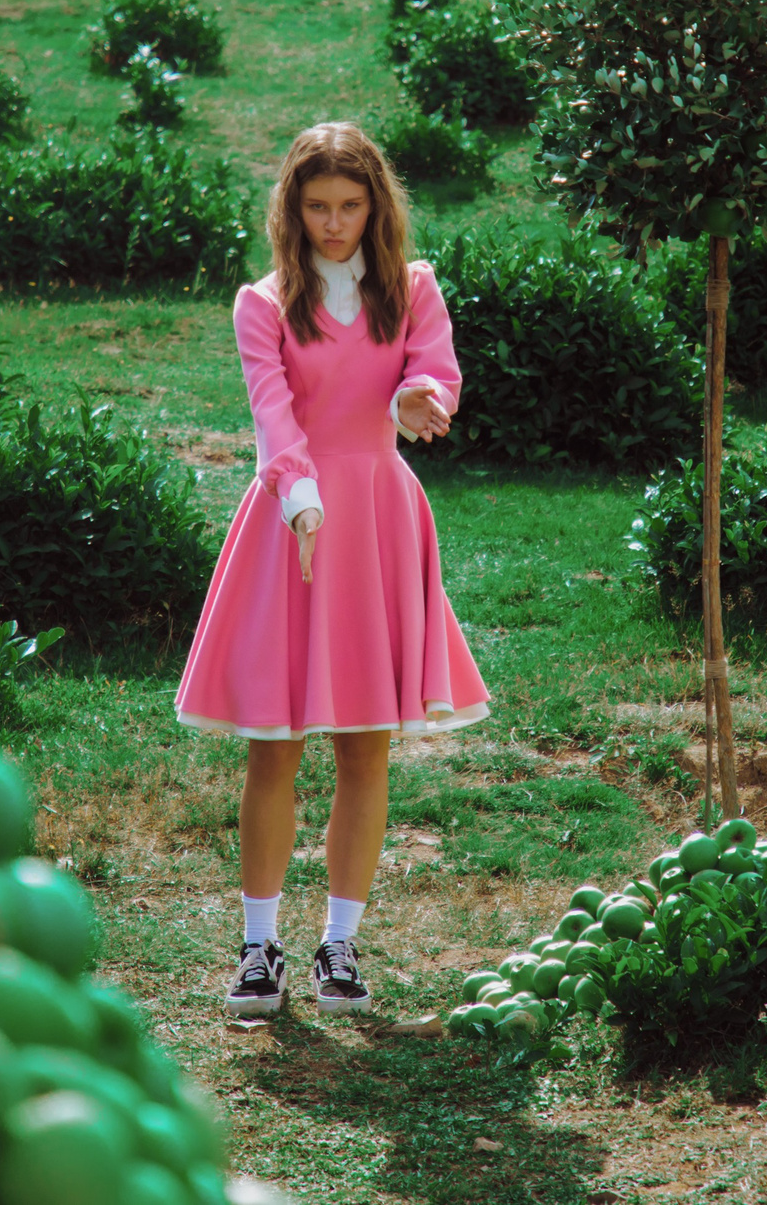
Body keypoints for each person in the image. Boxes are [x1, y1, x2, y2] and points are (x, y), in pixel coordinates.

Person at [174, 121, 491, 1018]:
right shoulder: (263, 302)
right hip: (292, 523)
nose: (334, 222)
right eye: (317, 206)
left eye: (351, 206)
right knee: (273, 749)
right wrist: (300, 496)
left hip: (380, 523)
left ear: (376, 206)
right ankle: (258, 947)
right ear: (293, 207)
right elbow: (275, 417)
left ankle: (340, 947)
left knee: (366, 748)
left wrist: (418, 397)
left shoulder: (412, 289)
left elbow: (430, 377)